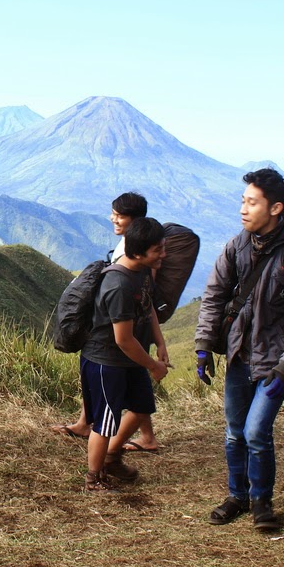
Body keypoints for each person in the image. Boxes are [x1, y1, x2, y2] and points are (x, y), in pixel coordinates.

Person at [195, 168, 284, 530]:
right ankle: (238, 496)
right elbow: (214, 296)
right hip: (239, 357)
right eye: (243, 201)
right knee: (234, 431)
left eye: (252, 203)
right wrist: (204, 345)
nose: (243, 209)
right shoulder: (237, 245)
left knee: (255, 432)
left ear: (276, 208)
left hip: (275, 364)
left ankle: (261, 501)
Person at [50, 192, 163, 453]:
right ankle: (95, 430)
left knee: (121, 400)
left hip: (115, 339)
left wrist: (156, 346)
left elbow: (144, 298)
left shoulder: (133, 253)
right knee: (129, 393)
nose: (113, 218)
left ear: (135, 221)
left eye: (119, 215)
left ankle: (110, 452)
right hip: (117, 335)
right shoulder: (131, 248)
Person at [79, 217, 170, 492]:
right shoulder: (118, 285)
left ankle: (111, 457)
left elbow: (148, 306)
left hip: (129, 360)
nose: (163, 254)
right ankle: (93, 478)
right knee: (105, 422)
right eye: (158, 250)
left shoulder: (141, 273)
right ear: (140, 252)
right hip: (107, 362)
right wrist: (153, 365)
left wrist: (160, 342)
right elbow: (123, 339)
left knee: (142, 406)